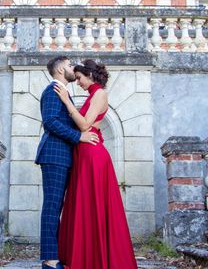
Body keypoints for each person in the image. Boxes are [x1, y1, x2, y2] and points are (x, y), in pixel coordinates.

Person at [54, 59, 138, 269]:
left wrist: (66, 101)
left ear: (90, 74)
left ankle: (96, 259)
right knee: (83, 207)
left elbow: (84, 124)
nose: (78, 82)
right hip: (83, 155)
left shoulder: (100, 93)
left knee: (94, 206)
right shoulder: (93, 94)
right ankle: (84, 258)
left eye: (80, 78)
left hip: (92, 156)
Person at [35, 56, 100, 269]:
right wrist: (78, 137)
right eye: (71, 65)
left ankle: (57, 255)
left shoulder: (63, 92)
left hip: (63, 156)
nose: (74, 68)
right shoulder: (53, 90)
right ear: (62, 68)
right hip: (54, 155)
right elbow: (50, 121)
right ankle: (50, 260)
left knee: (58, 206)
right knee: (52, 207)